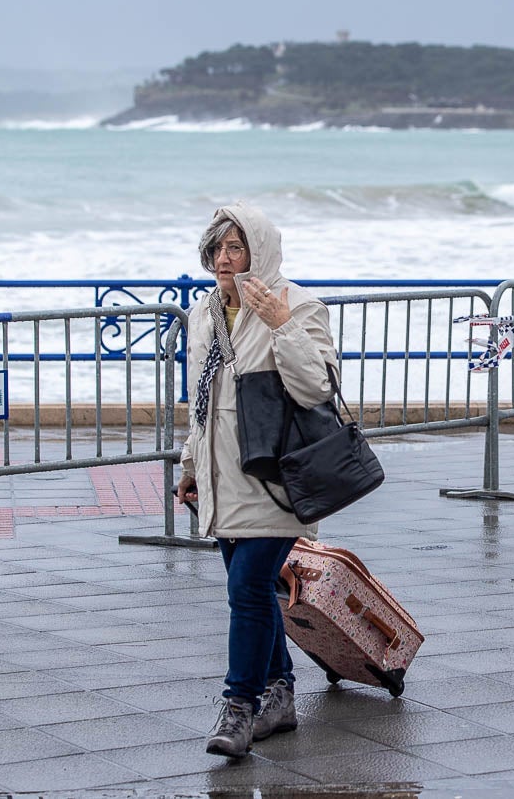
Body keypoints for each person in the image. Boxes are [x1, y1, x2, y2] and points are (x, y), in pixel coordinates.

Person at [176, 203, 337, 757]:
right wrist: (190, 465)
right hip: (222, 478)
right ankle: (281, 693)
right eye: (217, 248)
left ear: (260, 252)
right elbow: (201, 403)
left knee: (246, 587)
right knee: (256, 591)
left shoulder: (297, 305)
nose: (224, 258)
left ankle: (239, 708)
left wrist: (279, 324)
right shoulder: (203, 314)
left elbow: (317, 387)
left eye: (236, 247)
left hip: (275, 480)